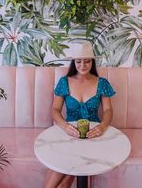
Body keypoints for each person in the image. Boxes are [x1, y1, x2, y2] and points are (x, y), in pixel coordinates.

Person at [43, 41, 116, 188]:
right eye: (79, 61)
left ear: (92, 62)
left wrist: (102, 127)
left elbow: (108, 110)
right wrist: (65, 127)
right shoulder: (64, 82)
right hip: (69, 133)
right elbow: (55, 110)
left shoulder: (102, 83)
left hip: (93, 135)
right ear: (74, 62)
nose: (83, 65)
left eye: (87, 61)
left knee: (64, 183)